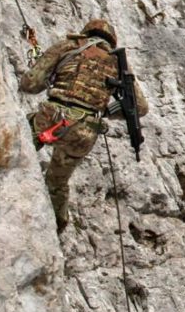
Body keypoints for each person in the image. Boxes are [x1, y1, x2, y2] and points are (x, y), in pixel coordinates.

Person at [19, 19, 148, 232]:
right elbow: (140, 107)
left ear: (86, 32)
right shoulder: (119, 63)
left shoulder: (68, 46)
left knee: (19, 143)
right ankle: (57, 227)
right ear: (112, 40)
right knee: (57, 182)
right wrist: (106, 111)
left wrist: (49, 76)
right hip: (85, 132)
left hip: (51, 118)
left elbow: (30, 84)